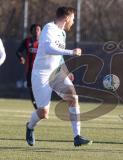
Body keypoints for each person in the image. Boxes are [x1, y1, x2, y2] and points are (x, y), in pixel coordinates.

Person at [26, 6, 92, 147]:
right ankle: (30, 126)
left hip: (56, 73)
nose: (73, 22)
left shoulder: (62, 33)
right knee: (43, 112)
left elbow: (59, 55)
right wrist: (72, 52)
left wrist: (66, 71)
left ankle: (77, 137)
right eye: (73, 19)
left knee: (73, 98)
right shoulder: (49, 28)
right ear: (67, 18)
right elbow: (50, 49)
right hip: (41, 75)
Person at [16, 24, 42, 109]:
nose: (37, 32)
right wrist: (21, 58)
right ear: (32, 32)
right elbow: (18, 51)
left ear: (41, 32)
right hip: (30, 70)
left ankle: (42, 105)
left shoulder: (44, 42)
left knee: (41, 88)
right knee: (31, 89)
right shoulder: (27, 41)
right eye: (35, 30)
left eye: (38, 30)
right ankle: (36, 108)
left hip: (42, 70)